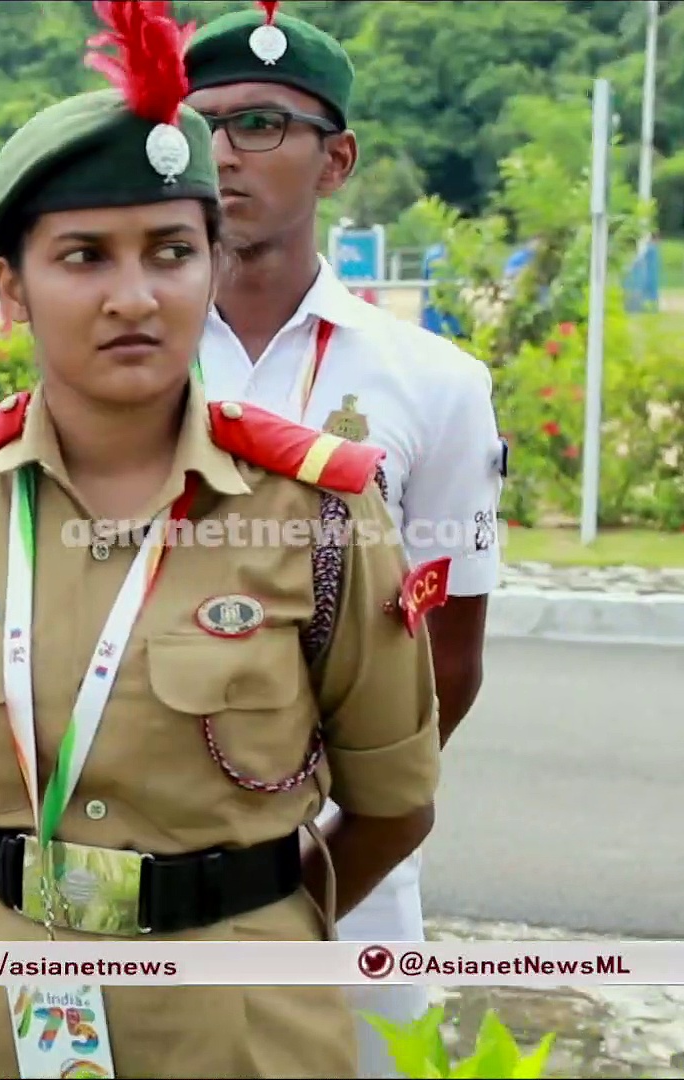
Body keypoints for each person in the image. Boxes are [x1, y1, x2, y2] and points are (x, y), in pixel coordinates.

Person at [0, 2, 442, 1075]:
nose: (134, 296)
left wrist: (241, 923)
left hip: (242, 1022)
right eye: (84, 255)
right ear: (10, 289)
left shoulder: (321, 516)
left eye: (171, 251)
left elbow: (391, 804)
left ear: (212, 268)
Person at [183, 5, 501, 1072]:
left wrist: (340, 838)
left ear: (338, 161)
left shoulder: (434, 384)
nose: (224, 149)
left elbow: (448, 656)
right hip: (144, 855)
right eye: (201, 121)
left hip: (347, 870)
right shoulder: (120, 358)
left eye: (263, 123)